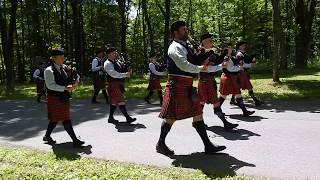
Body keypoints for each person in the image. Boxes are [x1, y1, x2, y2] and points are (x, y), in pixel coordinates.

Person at [157, 21, 226, 156]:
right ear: (175, 33)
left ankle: (208, 146)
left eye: (186, 29)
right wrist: (201, 68)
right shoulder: (174, 48)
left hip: (187, 85)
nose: (186, 32)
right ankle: (160, 144)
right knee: (170, 118)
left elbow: (196, 63)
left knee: (197, 114)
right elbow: (184, 66)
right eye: (183, 30)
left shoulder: (185, 47)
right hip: (176, 85)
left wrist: (219, 66)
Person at [43, 48, 85, 148]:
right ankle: (75, 140)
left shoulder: (65, 67)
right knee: (65, 118)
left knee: (55, 118)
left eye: (63, 57)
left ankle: (47, 136)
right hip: (55, 98)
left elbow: (76, 75)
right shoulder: (49, 70)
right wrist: (65, 88)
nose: (63, 59)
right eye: (61, 57)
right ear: (54, 58)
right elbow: (50, 85)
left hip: (64, 96)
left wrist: (75, 82)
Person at [198, 33, 238, 130]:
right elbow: (206, 68)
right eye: (209, 40)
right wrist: (220, 66)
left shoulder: (211, 52)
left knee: (204, 102)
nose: (211, 42)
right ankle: (200, 122)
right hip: (204, 81)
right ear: (203, 42)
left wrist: (224, 55)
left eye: (211, 40)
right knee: (205, 102)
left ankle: (199, 123)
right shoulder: (200, 53)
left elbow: (217, 61)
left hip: (209, 81)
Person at [219, 44, 255, 117]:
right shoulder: (226, 58)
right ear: (226, 49)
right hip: (228, 78)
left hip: (231, 78)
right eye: (229, 48)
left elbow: (233, 65)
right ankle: (217, 110)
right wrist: (239, 68)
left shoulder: (230, 57)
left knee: (237, 94)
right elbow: (229, 68)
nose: (231, 49)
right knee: (223, 95)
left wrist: (240, 64)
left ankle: (245, 112)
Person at [104, 47, 136, 124]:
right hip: (113, 84)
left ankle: (110, 118)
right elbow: (114, 74)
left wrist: (128, 69)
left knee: (114, 102)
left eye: (115, 52)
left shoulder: (117, 62)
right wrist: (125, 74)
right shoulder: (107, 63)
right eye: (114, 53)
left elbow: (122, 69)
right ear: (109, 54)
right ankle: (128, 118)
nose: (115, 54)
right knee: (121, 100)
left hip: (118, 84)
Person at [230, 41, 263, 106]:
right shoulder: (239, 54)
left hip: (243, 72)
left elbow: (248, 60)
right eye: (243, 45)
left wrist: (253, 58)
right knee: (248, 86)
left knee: (238, 86)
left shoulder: (243, 53)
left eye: (245, 45)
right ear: (240, 46)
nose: (245, 46)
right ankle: (255, 100)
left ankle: (232, 100)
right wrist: (251, 65)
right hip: (241, 72)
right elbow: (243, 64)